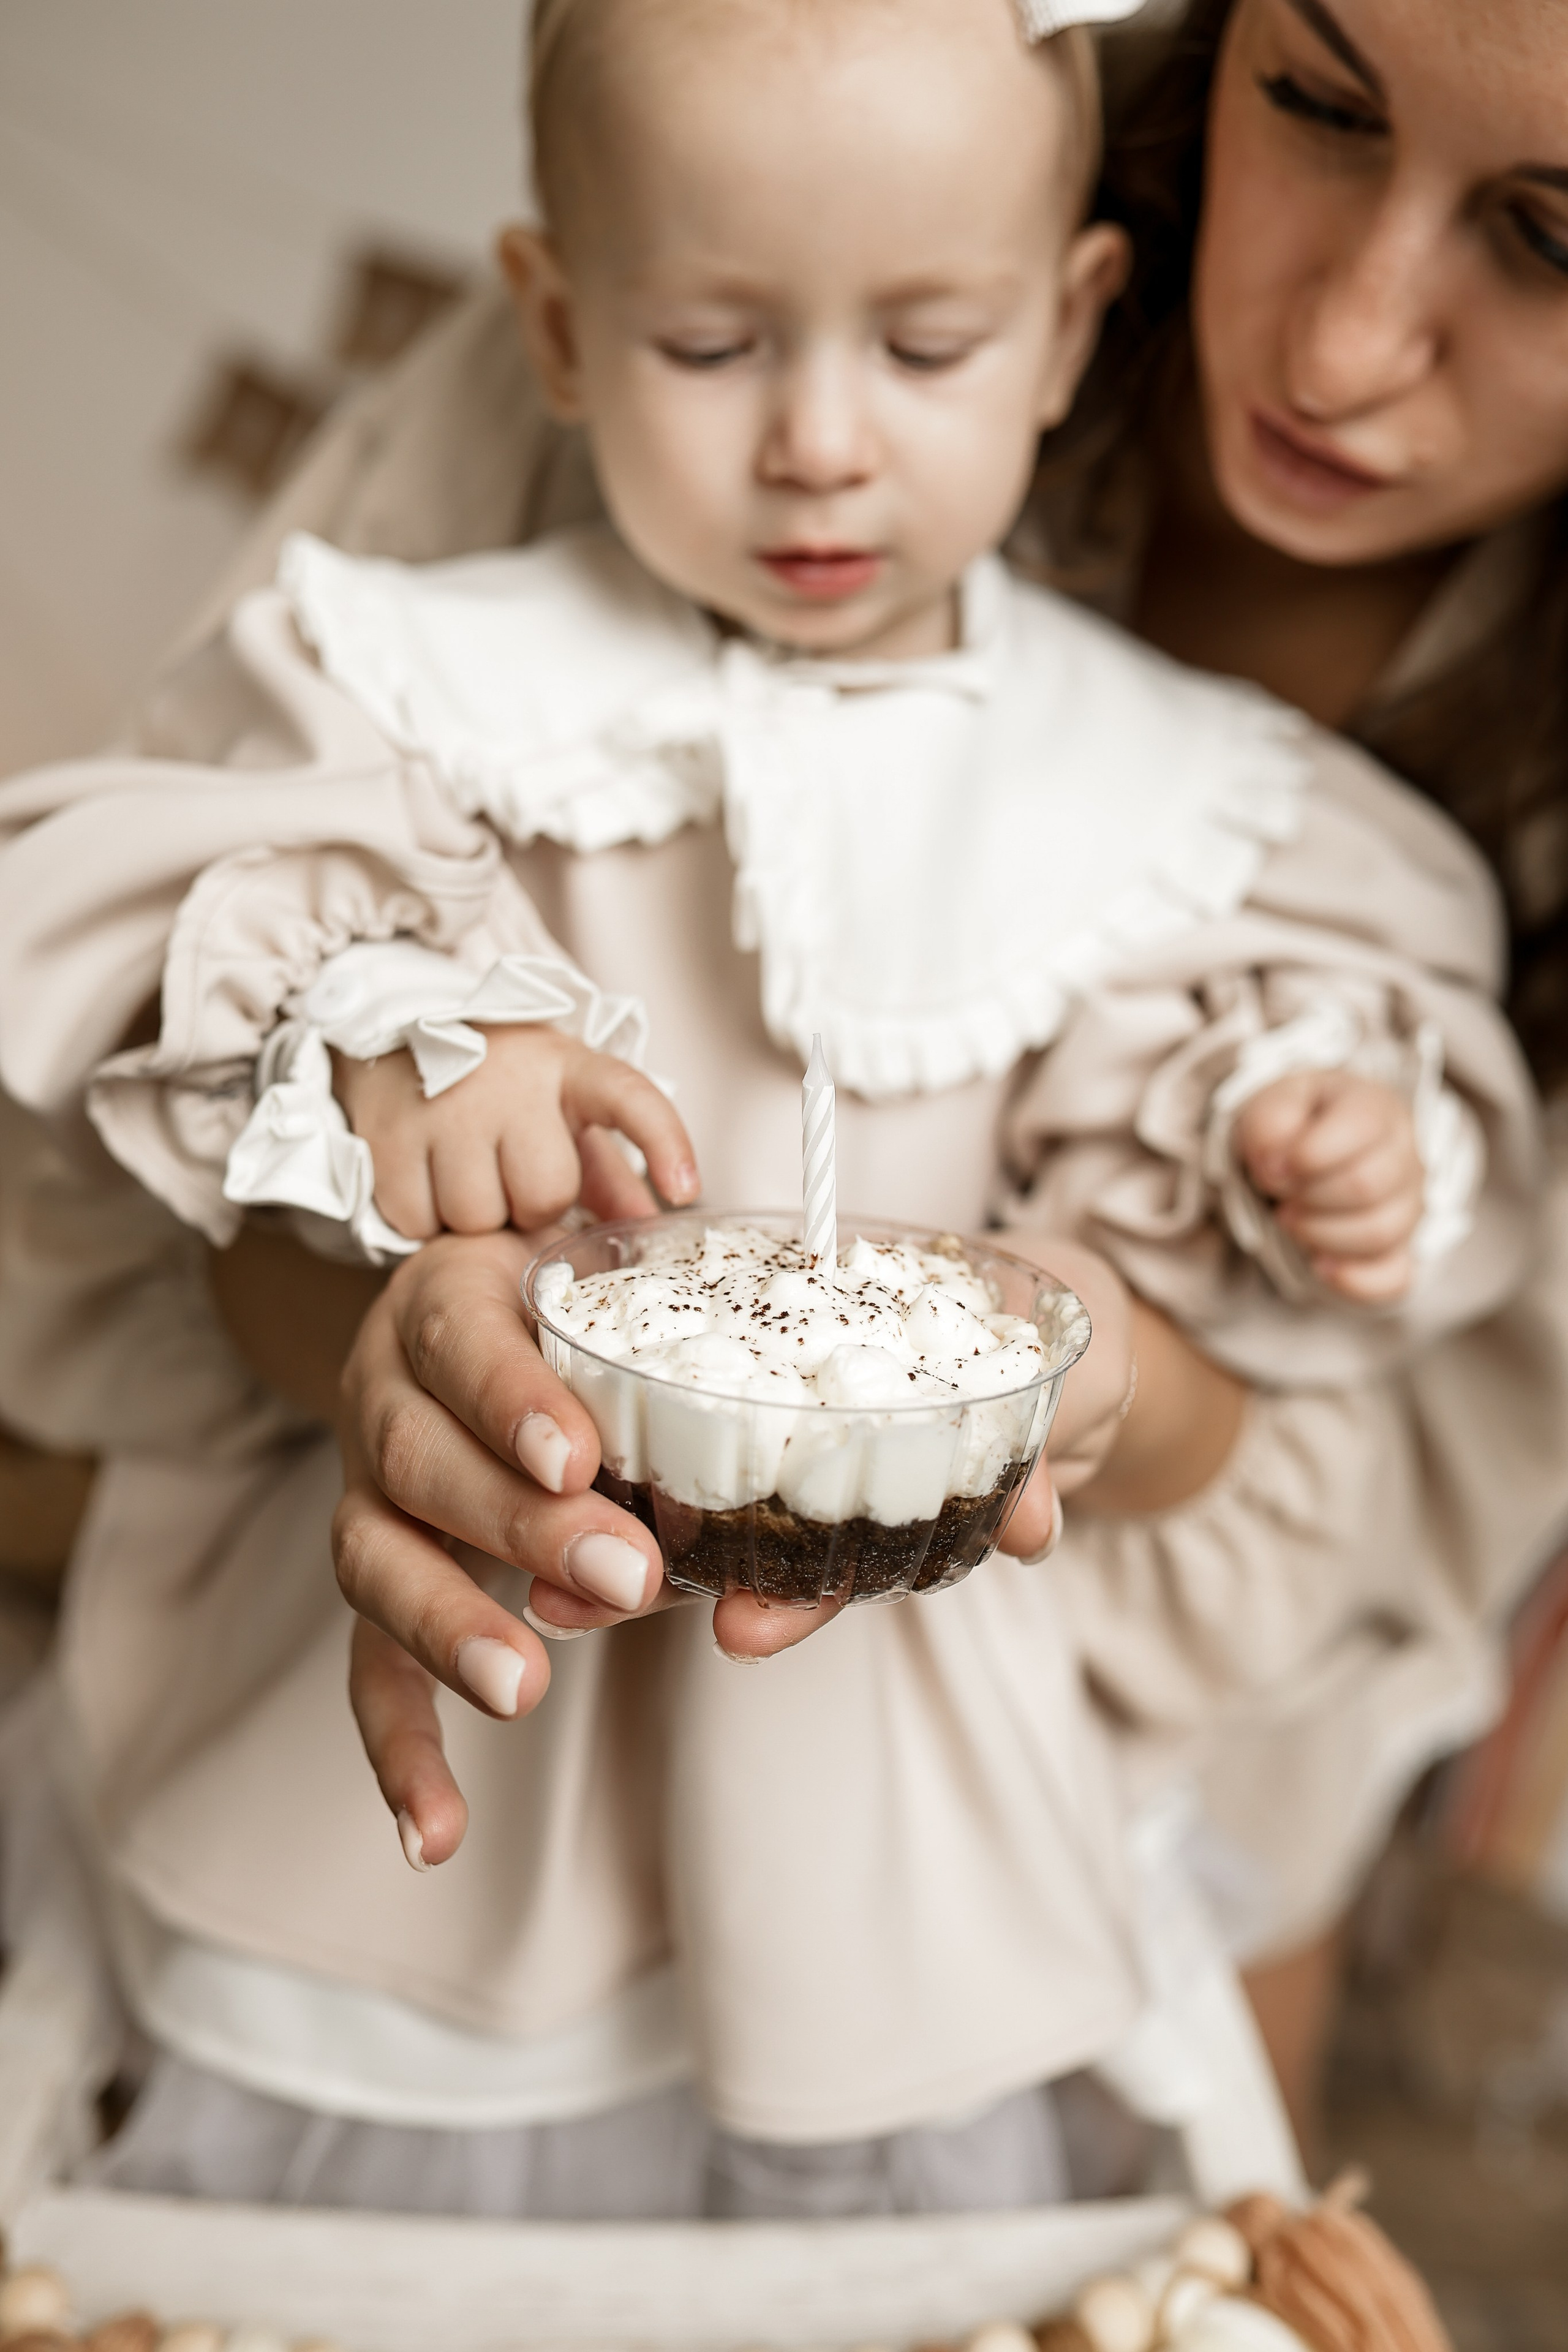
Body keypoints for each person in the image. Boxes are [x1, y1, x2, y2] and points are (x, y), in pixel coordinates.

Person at [0, 0, 1545, 2211]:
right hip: (410, 1836)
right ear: (558, 320)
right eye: (718, 346)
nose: (821, 445)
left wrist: (1265, 1188)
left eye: (922, 346)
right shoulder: (421, 683)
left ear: (1059, 324)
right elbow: (167, 1011)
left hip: (899, 1852)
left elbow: (1262, 1411)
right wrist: (380, 1084)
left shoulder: (1181, 814)